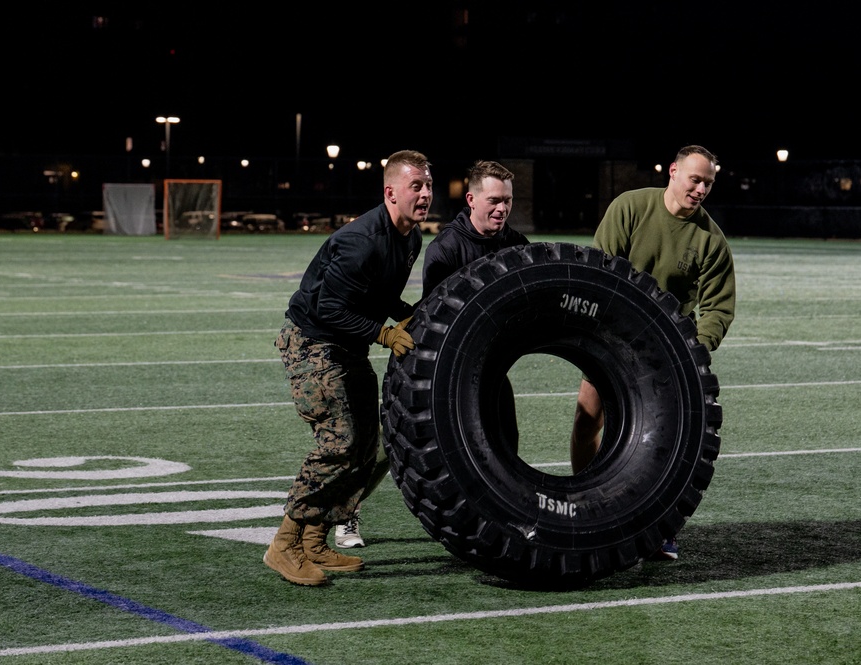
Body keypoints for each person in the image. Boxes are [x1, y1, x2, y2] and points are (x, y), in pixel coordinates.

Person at [335, 159, 529, 550]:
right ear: (471, 199)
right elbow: (444, 323)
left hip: (491, 366)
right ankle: (346, 510)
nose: (502, 209)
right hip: (443, 367)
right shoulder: (447, 248)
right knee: (394, 446)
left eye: (507, 201)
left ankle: (504, 517)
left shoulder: (516, 245)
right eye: (494, 200)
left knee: (506, 441)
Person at [265, 149, 432, 586]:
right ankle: (284, 544)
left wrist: (405, 311)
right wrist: (385, 333)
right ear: (390, 192)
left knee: (368, 449)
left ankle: (316, 539)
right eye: (417, 186)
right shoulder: (361, 241)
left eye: (428, 185)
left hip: (349, 346)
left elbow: (375, 293)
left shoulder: (410, 238)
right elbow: (329, 308)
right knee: (340, 442)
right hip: (314, 343)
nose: (426, 194)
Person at [569, 144, 737, 561]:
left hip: (666, 354)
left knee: (662, 446)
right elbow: (600, 269)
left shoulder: (711, 241)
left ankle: (658, 528)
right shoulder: (630, 207)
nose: (700, 189)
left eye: (708, 183)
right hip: (609, 336)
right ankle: (587, 507)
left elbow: (718, 308)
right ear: (674, 172)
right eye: (695, 179)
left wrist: (694, 350)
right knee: (588, 418)